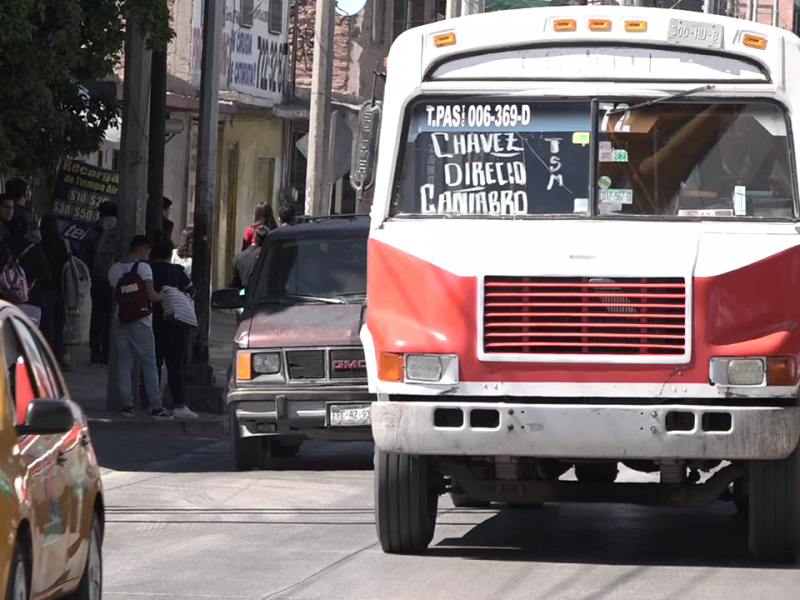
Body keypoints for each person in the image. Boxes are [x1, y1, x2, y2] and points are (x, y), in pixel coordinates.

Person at [108, 235, 171, 420]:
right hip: (141, 321)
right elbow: (151, 295)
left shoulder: (114, 269)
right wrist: (162, 296)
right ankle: (156, 406)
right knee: (149, 364)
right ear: (141, 250)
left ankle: (126, 405)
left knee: (124, 363)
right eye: (147, 252)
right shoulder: (143, 268)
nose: (148, 256)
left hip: (120, 319)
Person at [150, 233, 198, 420]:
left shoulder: (147, 270)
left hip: (153, 322)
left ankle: (153, 404)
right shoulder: (177, 271)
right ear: (169, 254)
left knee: (153, 365)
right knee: (175, 366)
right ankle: (179, 405)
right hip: (176, 324)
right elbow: (193, 291)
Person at [81, 201, 118, 365]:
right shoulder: (120, 230)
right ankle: (107, 355)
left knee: (97, 316)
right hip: (114, 280)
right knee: (111, 317)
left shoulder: (94, 230)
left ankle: (94, 354)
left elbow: (83, 253)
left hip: (97, 279)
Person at [0, 215, 51, 326]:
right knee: (26, 341)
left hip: (4, 303)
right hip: (30, 303)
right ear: (26, 230)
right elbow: (46, 279)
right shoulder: (35, 250)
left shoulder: (2, 247)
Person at [39, 215, 69, 367]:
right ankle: (59, 357)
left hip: (45, 289)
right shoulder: (63, 245)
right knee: (59, 325)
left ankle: (47, 358)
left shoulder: (40, 246)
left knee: (47, 325)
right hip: (61, 288)